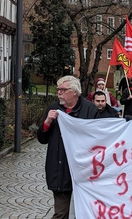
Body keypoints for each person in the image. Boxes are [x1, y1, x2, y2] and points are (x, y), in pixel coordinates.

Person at [37, 75, 98, 219]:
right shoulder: (53, 108)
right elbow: (42, 139)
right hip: (59, 169)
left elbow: (97, 140)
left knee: (84, 213)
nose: (59, 92)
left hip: (83, 171)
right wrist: (47, 122)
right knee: (60, 214)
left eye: (63, 90)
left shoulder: (90, 110)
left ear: (74, 92)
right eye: (58, 89)